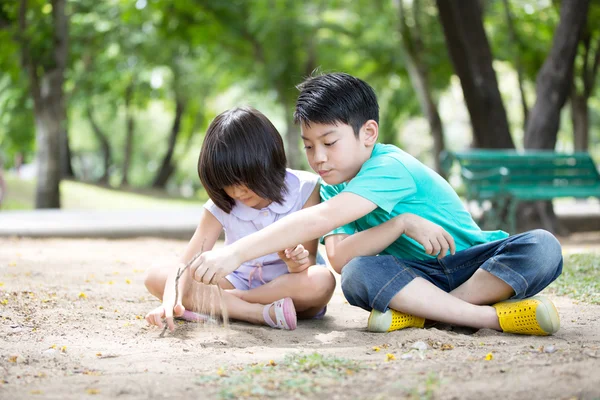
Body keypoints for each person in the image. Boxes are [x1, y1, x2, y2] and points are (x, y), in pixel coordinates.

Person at [190, 72, 563, 336]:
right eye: (308, 146)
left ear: (368, 133)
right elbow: (337, 258)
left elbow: (323, 219)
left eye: (329, 142)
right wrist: (399, 225)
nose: (318, 157)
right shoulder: (332, 186)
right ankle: (483, 318)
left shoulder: (388, 165)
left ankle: (429, 313)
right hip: (413, 276)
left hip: (473, 264)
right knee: (357, 275)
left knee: (542, 247)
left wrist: (235, 253)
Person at [144, 107, 335, 331]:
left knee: (322, 281)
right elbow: (185, 263)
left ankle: (229, 303)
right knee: (156, 276)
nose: (237, 192)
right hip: (236, 280)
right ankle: (258, 314)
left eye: (245, 180)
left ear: (268, 163)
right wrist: (170, 303)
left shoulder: (305, 189)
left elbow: (308, 262)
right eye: (227, 183)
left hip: (289, 287)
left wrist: (295, 263)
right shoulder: (222, 204)